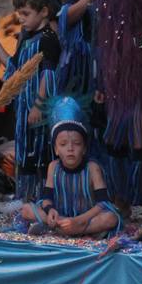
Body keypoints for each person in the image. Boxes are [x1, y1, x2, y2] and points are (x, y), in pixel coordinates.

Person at [21, 99, 119, 237]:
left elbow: (103, 203)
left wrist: (78, 221)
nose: (70, 149)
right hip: (61, 216)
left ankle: (65, 230)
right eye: (63, 144)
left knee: (111, 218)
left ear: (84, 148)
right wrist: (50, 211)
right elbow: (46, 198)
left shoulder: (92, 168)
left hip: (85, 218)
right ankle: (61, 227)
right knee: (26, 209)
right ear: (55, 149)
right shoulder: (53, 167)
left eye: (77, 143)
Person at [8, 0, 61, 203]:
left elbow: (48, 74)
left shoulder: (47, 39)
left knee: (38, 152)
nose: (21, 19)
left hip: (38, 108)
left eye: (26, 14)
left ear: (44, 12)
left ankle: (41, 199)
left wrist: (39, 104)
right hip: (24, 106)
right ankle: (26, 198)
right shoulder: (27, 38)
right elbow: (14, 69)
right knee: (25, 151)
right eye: (19, 14)